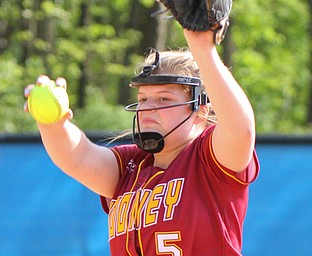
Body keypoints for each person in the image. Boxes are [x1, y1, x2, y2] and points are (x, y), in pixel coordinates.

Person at [24, 28, 259, 255]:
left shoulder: (210, 159)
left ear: (200, 111)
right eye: (143, 98)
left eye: (164, 98)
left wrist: (202, 48)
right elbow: (78, 156)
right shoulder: (131, 165)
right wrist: (53, 124)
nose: (147, 107)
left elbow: (242, 131)